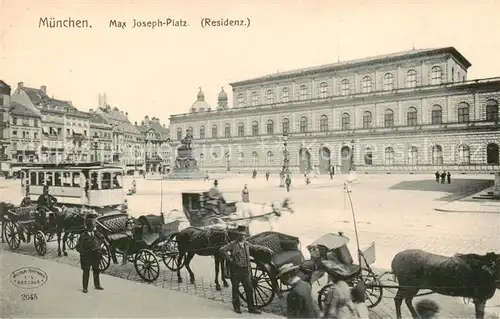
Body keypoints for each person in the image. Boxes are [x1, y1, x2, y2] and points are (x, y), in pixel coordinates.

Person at [219, 225, 273, 314]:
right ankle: (237, 307)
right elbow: (222, 250)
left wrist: (266, 248)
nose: (242, 237)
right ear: (237, 236)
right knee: (235, 289)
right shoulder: (232, 244)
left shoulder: (246, 244)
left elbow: (256, 247)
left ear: (245, 236)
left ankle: (251, 308)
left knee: (249, 289)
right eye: (240, 235)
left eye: (243, 235)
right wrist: (230, 259)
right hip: (236, 271)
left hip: (245, 271)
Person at [76, 213, 104, 293]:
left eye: (93, 227)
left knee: (96, 270)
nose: (92, 229)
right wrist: (84, 253)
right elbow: (78, 247)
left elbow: (102, 239)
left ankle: (97, 285)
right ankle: (85, 287)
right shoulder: (83, 236)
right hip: (86, 257)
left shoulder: (97, 234)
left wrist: (98, 247)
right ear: (87, 227)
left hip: (96, 255)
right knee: (86, 271)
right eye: (91, 227)